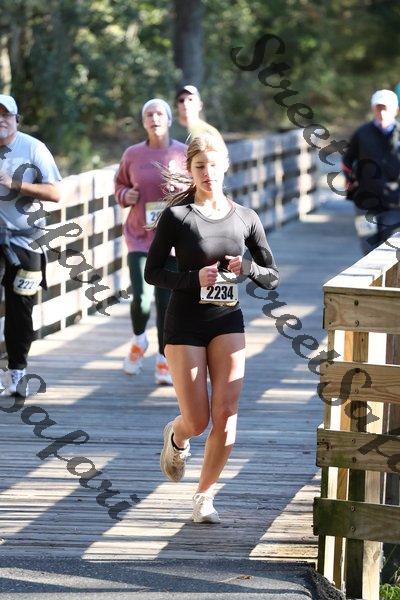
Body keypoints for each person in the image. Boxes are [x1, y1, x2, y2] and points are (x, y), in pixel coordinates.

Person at [144, 133, 279, 523]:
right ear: (190, 169)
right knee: (198, 421)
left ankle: (204, 496)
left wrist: (248, 268)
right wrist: (192, 278)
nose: (207, 172)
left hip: (226, 320)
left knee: (227, 412)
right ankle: (177, 436)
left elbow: (271, 276)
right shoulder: (177, 217)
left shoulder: (245, 218)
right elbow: (153, 272)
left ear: (226, 167)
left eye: (213, 165)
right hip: (184, 323)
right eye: (199, 166)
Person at [115, 99, 187, 384]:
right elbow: (119, 183)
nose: (154, 118)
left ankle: (163, 358)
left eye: (159, 114)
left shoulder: (183, 153)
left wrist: (181, 190)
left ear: (169, 120)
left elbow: (199, 187)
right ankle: (139, 339)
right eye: (148, 114)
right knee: (142, 298)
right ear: (143, 121)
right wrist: (125, 195)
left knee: (166, 302)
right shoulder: (133, 154)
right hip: (139, 237)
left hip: (172, 240)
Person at [0, 94, 61, 397]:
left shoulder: (34, 148)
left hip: (26, 240)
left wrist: (15, 184)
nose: (1, 120)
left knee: (20, 309)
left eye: (6, 115)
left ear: (16, 120)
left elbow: (55, 193)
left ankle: (17, 371)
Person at [342, 89, 400, 254]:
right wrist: (351, 180)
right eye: (378, 108)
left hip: (395, 202)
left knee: (389, 247)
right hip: (365, 201)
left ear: (396, 110)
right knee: (368, 246)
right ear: (373, 109)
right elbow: (347, 160)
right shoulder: (362, 133)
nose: (382, 112)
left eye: (385, 108)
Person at [174, 85, 227, 150]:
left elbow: (222, 155)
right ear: (177, 105)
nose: (185, 103)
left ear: (200, 105)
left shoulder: (210, 132)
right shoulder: (166, 130)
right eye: (181, 100)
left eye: (190, 99)